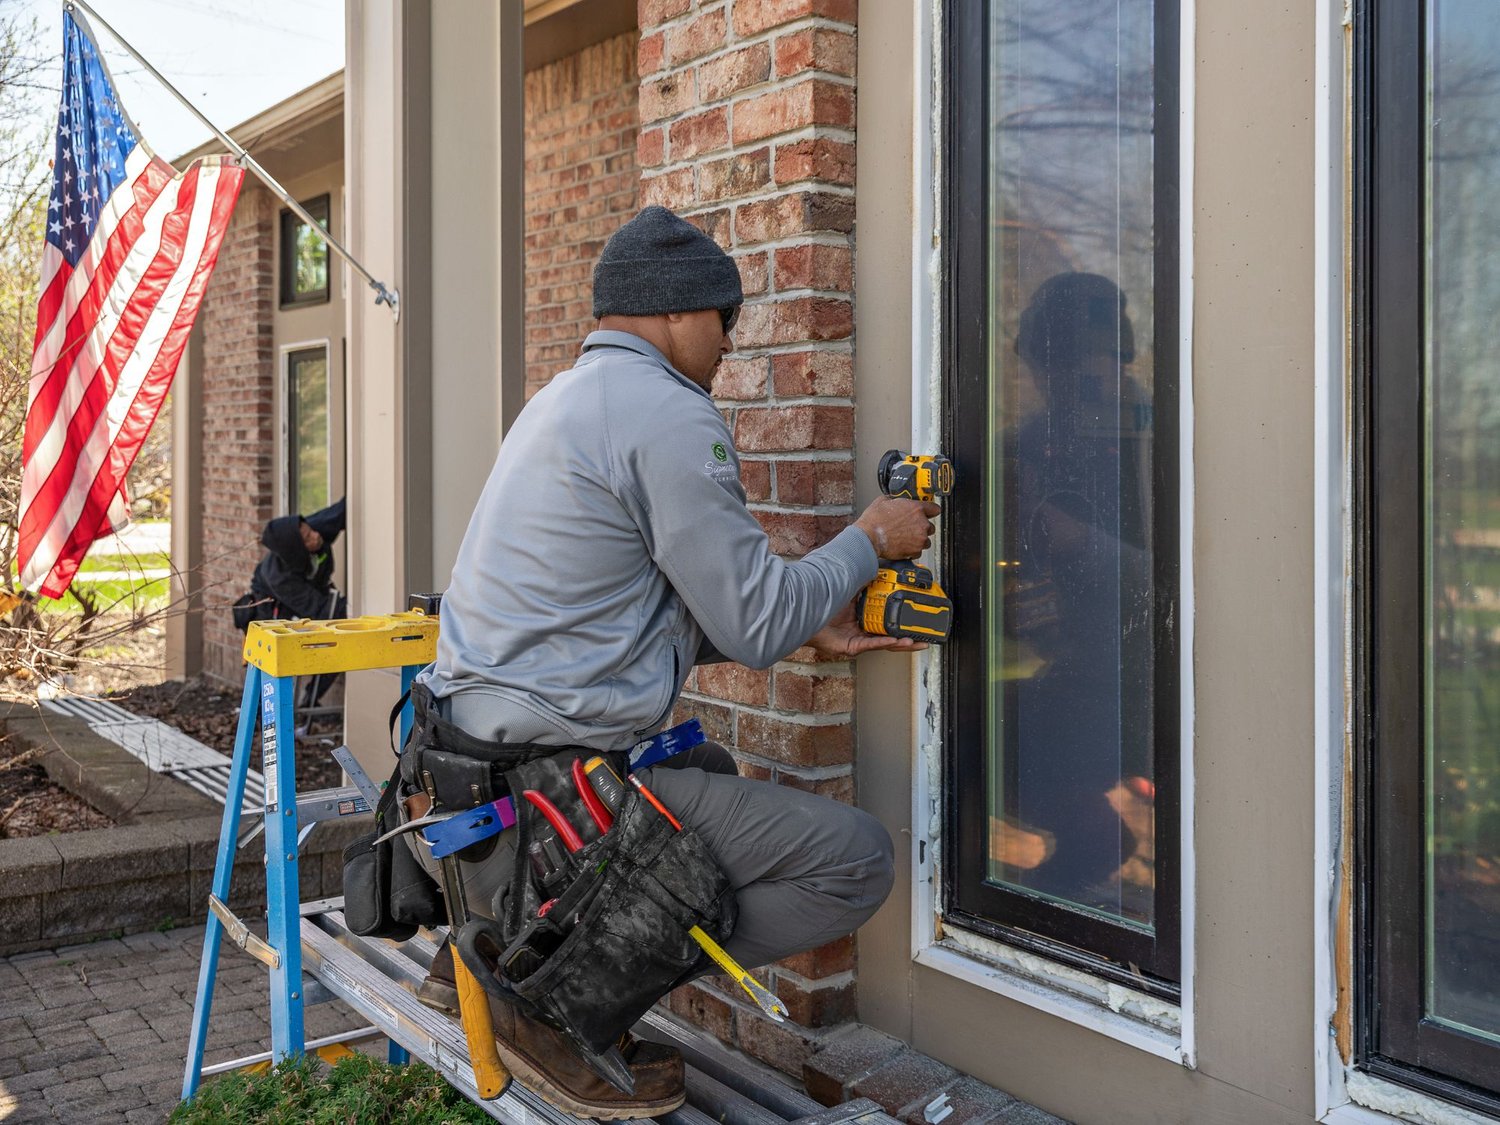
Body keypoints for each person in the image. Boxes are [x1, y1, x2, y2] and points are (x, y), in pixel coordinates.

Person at [402, 207, 937, 1118]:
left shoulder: (565, 400)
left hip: (466, 777)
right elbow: (759, 618)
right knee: (856, 863)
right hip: (548, 792)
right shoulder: (665, 412)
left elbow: (615, 618)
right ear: (674, 311)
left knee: (706, 773)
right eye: (725, 317)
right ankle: (553, 1000)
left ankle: (519, 964)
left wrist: (808, 625)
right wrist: (867, 538)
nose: (732, 340)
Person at [995, 272, 1155, 918]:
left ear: (1118, 358)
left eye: (1078, 374)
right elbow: (1015, 588)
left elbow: (1189, 579)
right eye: (1047, 376)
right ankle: (1070, 866)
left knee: (1005, 738)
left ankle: (1088, 848)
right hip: (1075, 669)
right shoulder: (1027, 445)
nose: (1059, 392)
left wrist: (1076, 540)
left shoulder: (1159, 436)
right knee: (967, 732)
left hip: (1146, 682)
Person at [236, 497, 347, 706]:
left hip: (313, 589)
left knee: (339, 635)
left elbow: (344, 509)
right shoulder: (279, 577)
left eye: (310, 530)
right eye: (308, 538)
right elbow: (319, 608)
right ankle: (266, 709)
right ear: (296, 549)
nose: (315, 536)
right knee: (277, 660)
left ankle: (310, 699)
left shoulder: (313, 530)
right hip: (274, 608)